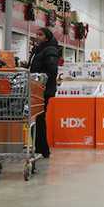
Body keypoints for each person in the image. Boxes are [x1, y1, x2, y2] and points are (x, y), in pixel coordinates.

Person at [29, 27, 59, 159]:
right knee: (37, 118)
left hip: (43, 90)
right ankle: (40, 148)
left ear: (47, 37)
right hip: (36, 88)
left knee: (39, 118)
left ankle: (42, 149)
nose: (37, 36)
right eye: (37, 34)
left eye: (40, 34)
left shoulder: (50, 50)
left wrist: (40, 79)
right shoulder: (39, 50)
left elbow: (52, 70)